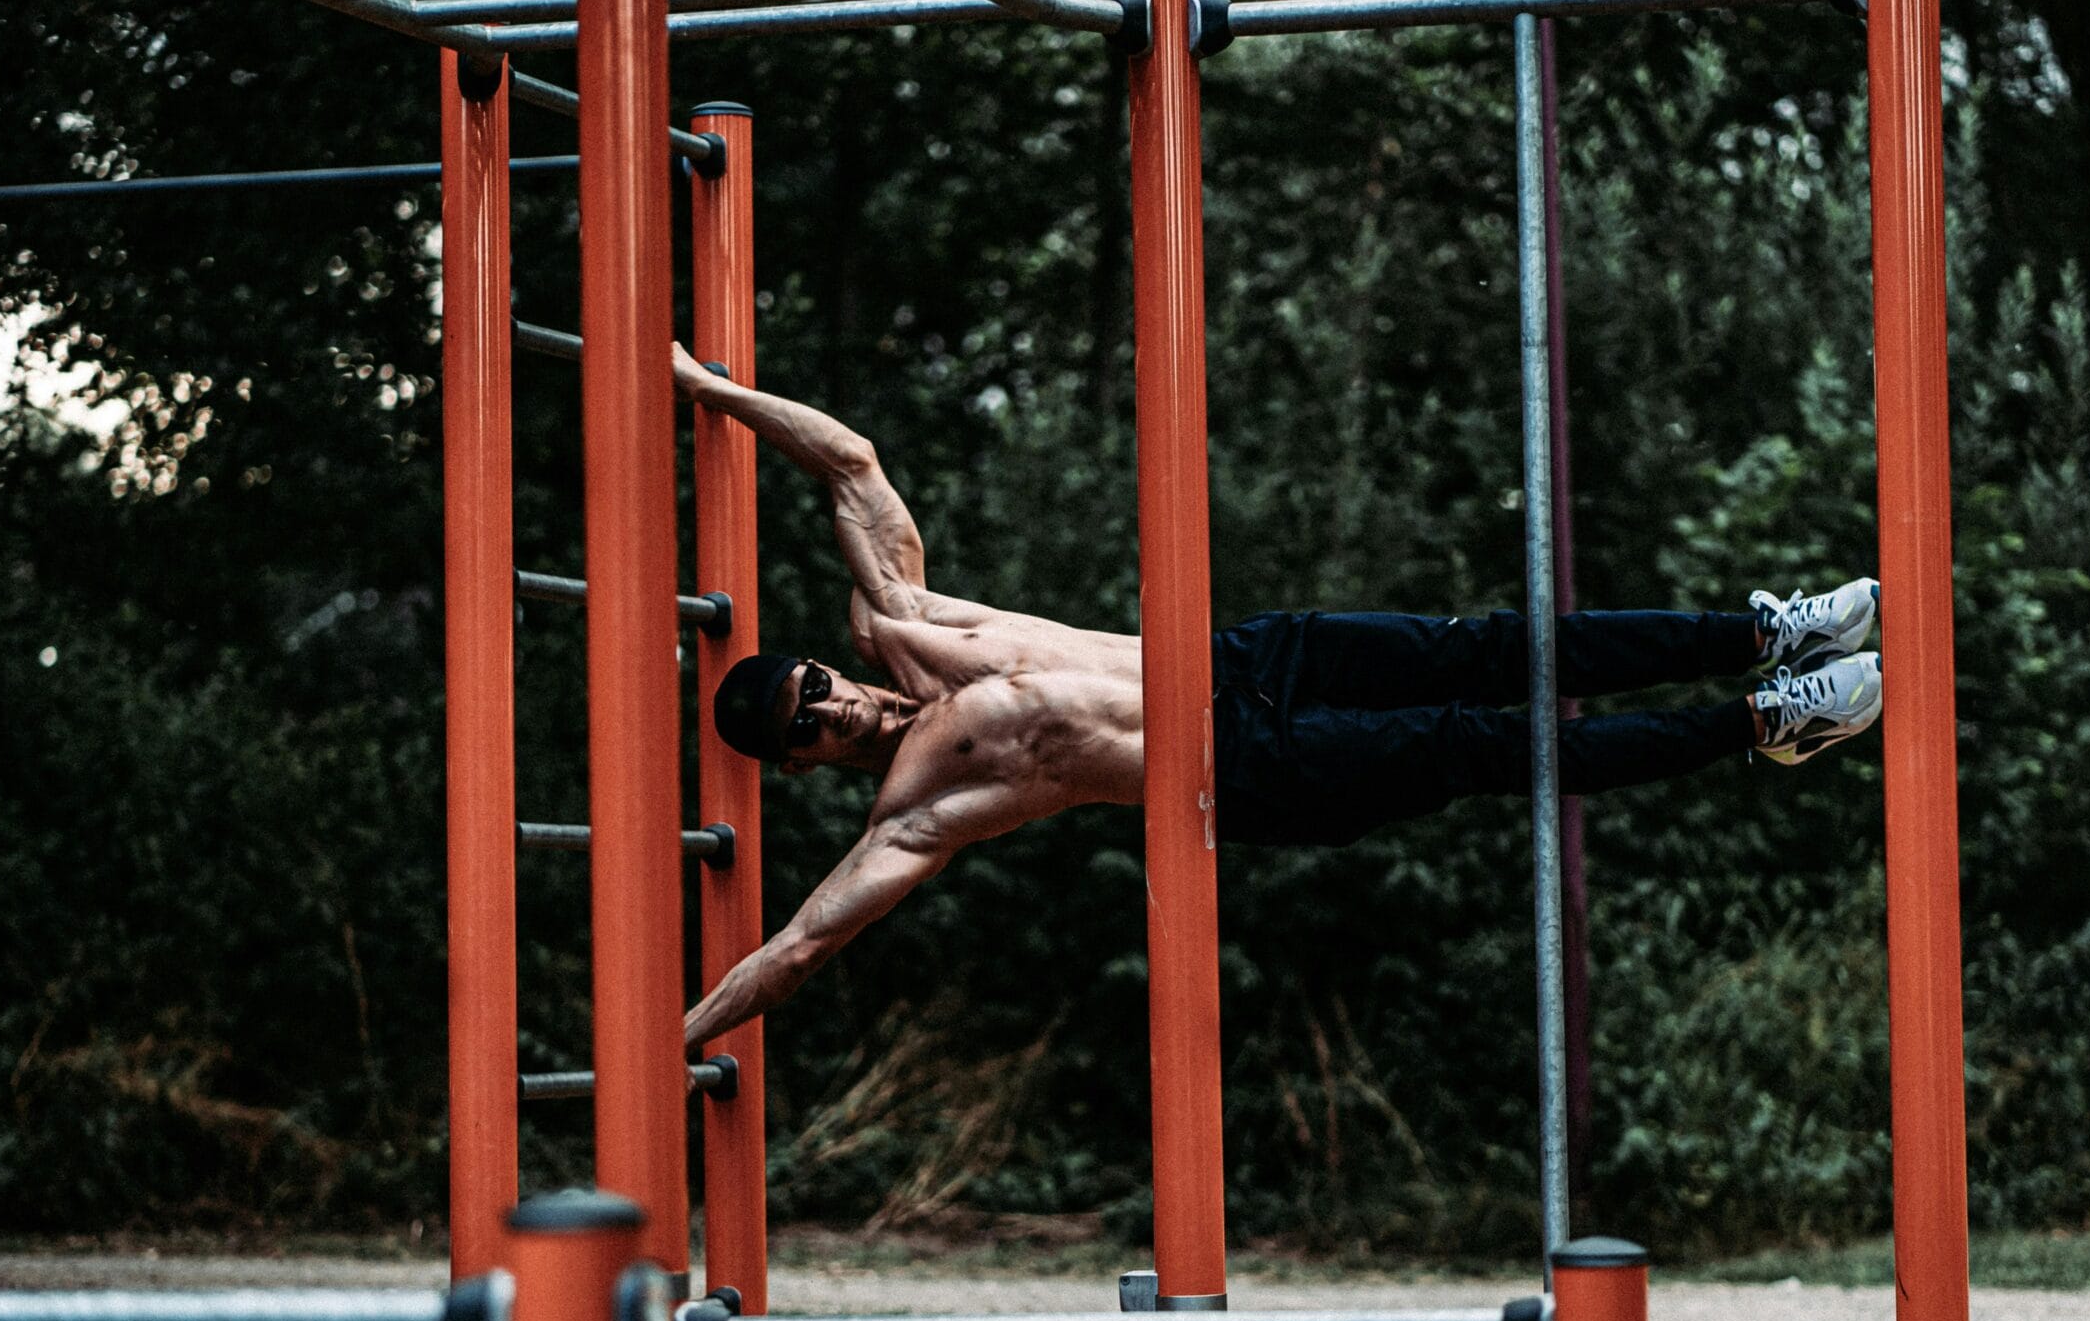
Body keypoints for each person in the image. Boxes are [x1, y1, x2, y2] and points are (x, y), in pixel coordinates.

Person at [673, 349, 1882, 1049]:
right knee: (1495, 748)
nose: (830, 710)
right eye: (806, 728)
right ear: (801, 763)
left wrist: (696, 383)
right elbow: (800, 946)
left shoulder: (908, 622)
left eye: (814, 688)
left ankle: (1766, 630)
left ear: (826, 665)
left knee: (1499, 645)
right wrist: (673, 1044)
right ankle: (1773, 721)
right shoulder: (911, 809)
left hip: (1248, 658)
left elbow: (850, 461)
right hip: (1243, 775)